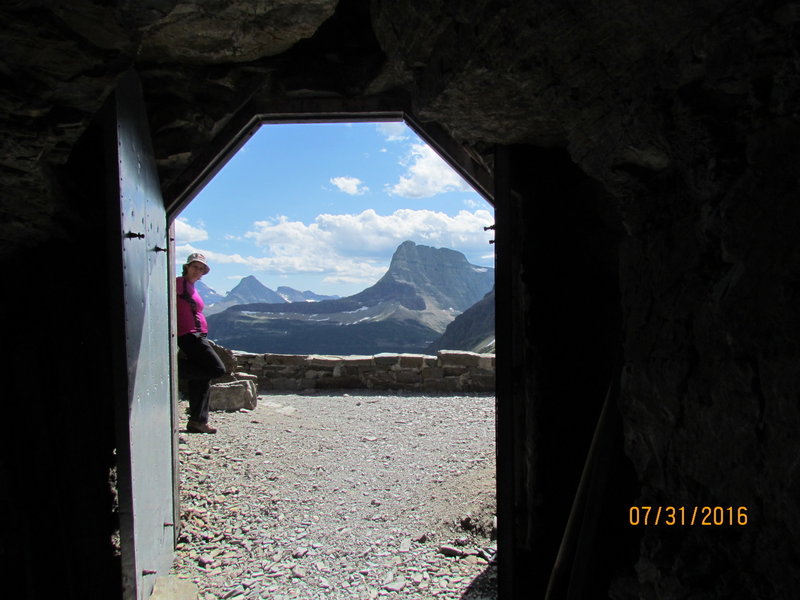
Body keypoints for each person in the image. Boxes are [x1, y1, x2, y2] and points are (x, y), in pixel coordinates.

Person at [176, 252, 226, 433]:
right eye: (195, 266)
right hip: (189, 335)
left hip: (197, 335)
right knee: (217, 369)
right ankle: (172, 369)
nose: (198, 270)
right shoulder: (178, 284)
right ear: (187, 267)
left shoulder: (192, 287)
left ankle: (198, 421)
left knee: (203, 378)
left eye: (201, 268)